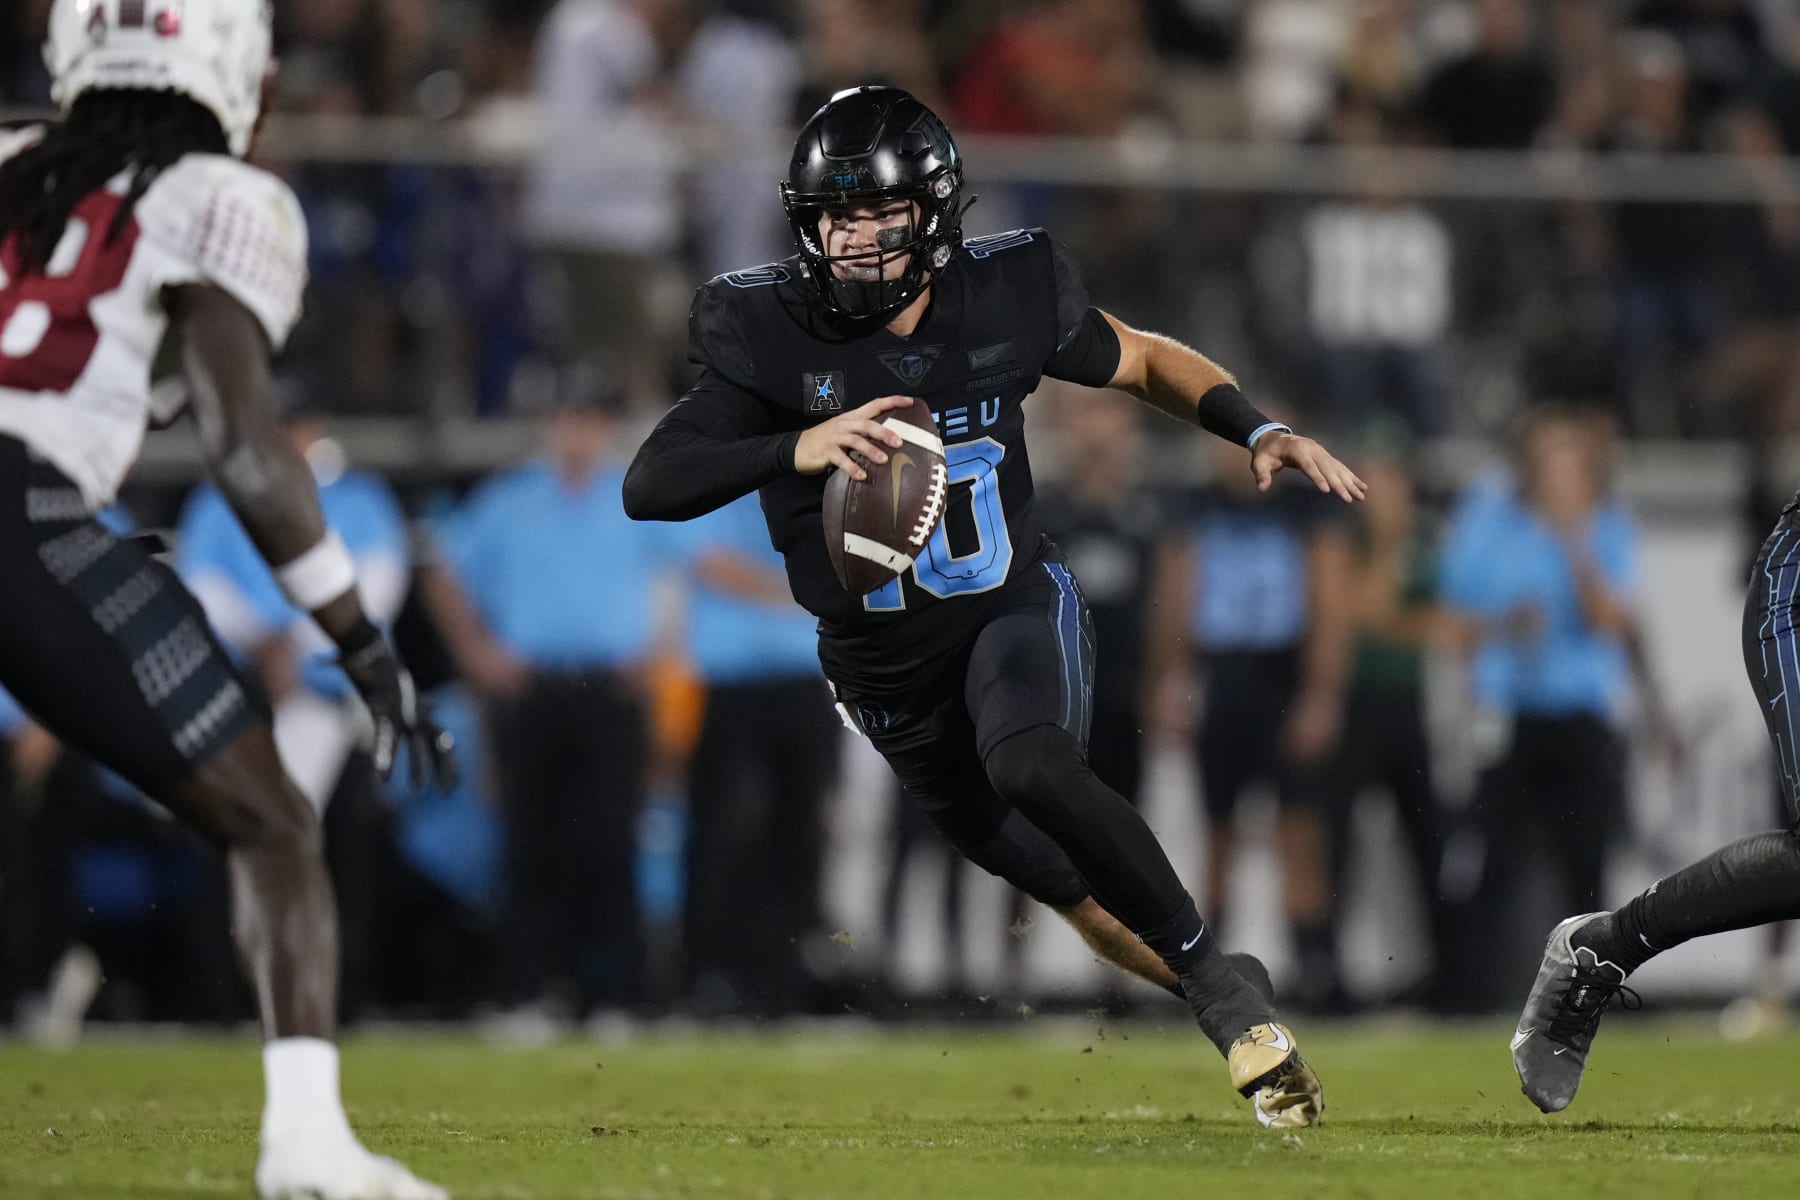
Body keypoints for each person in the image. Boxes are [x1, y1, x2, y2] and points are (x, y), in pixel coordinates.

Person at [623, 85, 1365, 1126]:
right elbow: (649, 483)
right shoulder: (769, 330)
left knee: (1032, 761)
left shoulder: (1004, 293)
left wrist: (1255, 429)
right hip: (882, 669)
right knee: (1074, 898)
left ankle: (1227, 1005)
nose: (854, 242)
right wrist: (796, 444)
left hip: (1008, 603)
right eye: (834, 218)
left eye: (877, 217)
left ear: (931, 218)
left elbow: (1145, 356)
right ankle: (1224, 983)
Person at [0, 3, 455, 1198]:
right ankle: (306, 1147)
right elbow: (247, 449)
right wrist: (356, 638)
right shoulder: (220, 198)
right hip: (20, 513)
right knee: (270, 820)